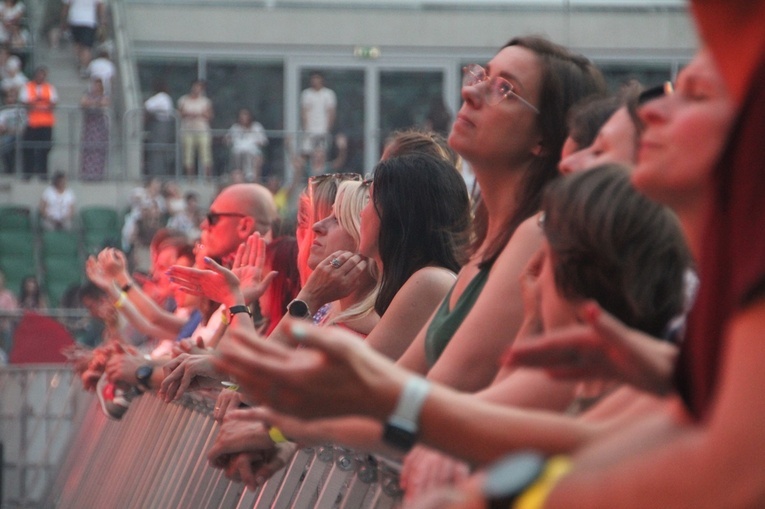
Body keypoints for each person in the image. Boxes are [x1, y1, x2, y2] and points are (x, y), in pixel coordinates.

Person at [20, 66, 57, 179]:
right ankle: (28, 173)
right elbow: (26, 102)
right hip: (32, 123)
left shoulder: (49, 88)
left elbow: (53, 103)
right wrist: (41, 103)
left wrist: (37, 103)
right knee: (28, 149)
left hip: (46, 124)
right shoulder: (27, 87)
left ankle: (43, 174)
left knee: (44, 149)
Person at [177, 80, 213, 177]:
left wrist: (199, 114)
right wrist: (188, 114)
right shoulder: (183, 100)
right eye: (195, 86)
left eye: (199, 87)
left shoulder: (205, 101)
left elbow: (209, 115)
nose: (197, 89)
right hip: (187, 130)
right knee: (188, 155)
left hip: (202, 130)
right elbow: (179, 113)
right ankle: (190, 177)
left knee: (205, 154)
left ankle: (207, 177)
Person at [61, 0, 105, 75]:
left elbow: (66, 6)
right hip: (89, 20)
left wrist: (63, 21)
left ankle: (79, 61)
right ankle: (84, 66)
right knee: (86, 46)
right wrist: (102, 21)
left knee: (77, 44)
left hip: (75, 19)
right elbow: (100, 6)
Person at [225, 108, 268, 182]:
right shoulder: (235, 127)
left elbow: (264, 140)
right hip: (239, 149)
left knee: (249, 153)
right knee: (238, 152)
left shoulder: (256, 127)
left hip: (253, 149)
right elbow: (227, 138)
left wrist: (256, 141)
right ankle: (239, 173)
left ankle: (250, 174)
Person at [300, 71, 336, 156]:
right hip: (309, 130)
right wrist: (306, 129)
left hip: (322, 130)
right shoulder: (306, 94)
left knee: (321, 153)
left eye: (317, 78)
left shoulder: (328, 94)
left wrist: (327, 129)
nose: (315, 81)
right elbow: (304, 112)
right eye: (313, 78)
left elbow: (331, 112)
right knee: (306, 152)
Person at [80, 77, 109, 180]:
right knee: (88, 149)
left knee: (98, 150)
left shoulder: (104, 96)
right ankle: (87, 174)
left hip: (99, 126)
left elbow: (104, 103)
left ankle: (97, 175)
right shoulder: (87, 94)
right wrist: (94, 103)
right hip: (89, 126)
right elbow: (83, 103)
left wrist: (93, 104)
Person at [144, 80, 175, 176]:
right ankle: (157, 172)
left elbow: (147, 105)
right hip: (162, 125)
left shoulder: (162, 97)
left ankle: (157, 173)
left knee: (157, 149)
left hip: (160, 125)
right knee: (158, 150)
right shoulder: (166, 97)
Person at [0, 87, 25, 173]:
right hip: (7, 135)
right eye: (8, 97)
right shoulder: (3, 111)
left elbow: (24, 126)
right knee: (5, 144)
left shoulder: (20, 110)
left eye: (12, 96)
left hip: (20, 135)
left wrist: (12, 130)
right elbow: (2, 127)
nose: (10, 99)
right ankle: (9, 169)